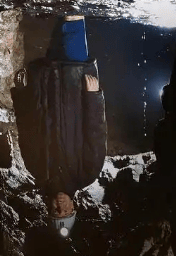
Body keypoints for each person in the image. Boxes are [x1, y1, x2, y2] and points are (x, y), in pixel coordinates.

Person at [11, 15, 107, 238]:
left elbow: (26, 126)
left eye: (56, 213)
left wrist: (22, 93)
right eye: (65, 212)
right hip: (76, 81)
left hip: (48, 79)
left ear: (48, 209)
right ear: (74, 208)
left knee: (60, 19)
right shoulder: (88, 172)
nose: (60, 207)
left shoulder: (36, 169)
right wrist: (93, 97)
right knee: (74, 17)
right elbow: (96, 131)